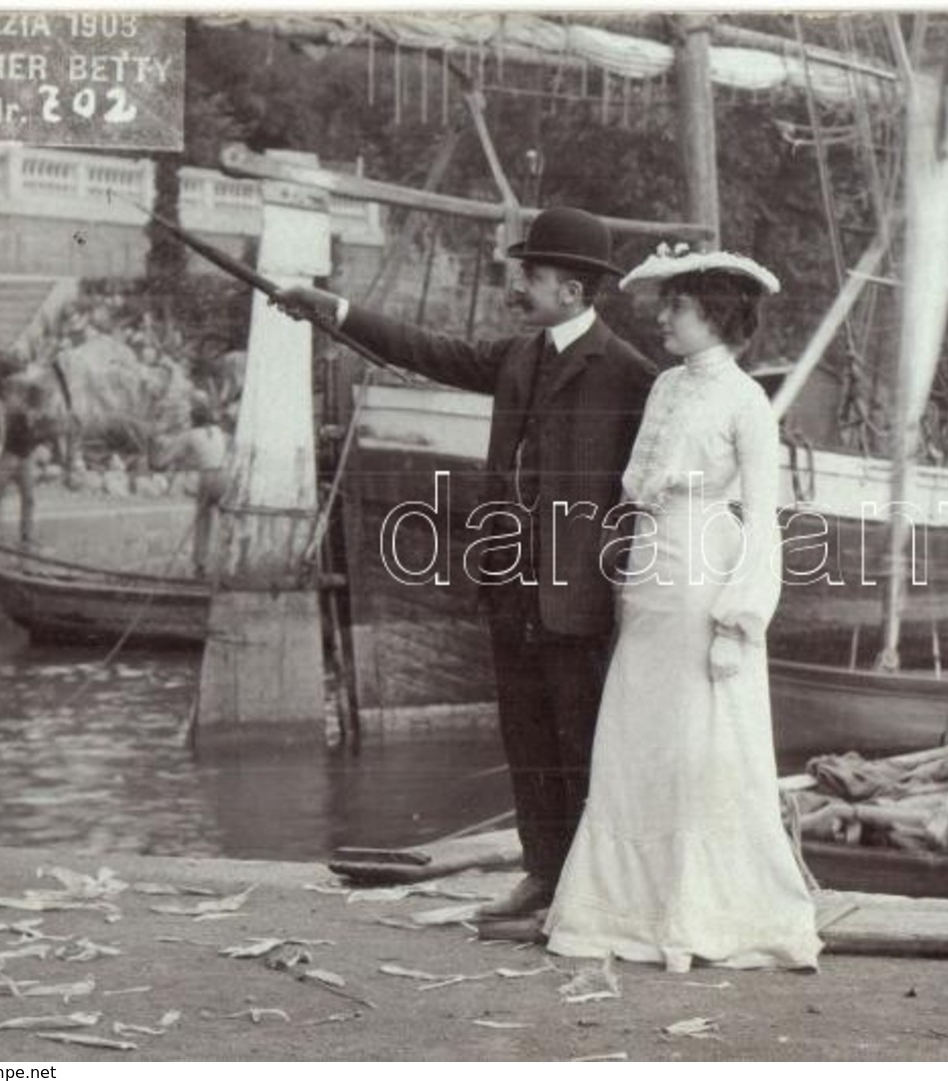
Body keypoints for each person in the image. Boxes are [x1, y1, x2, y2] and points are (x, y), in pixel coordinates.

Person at [275, 207, 656, 917]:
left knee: (581, 747)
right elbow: (425, 349)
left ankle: (589, 887)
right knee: (527, 740)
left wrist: (618, 573)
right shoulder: (517, 357)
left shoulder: (631, 377)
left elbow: (652, 487)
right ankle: (543, 874)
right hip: (508, 588)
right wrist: (335, 309)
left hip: (578, 600)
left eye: (533, 277)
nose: (520, 287)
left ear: (572, 290)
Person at [543, 245, 822, 973]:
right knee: (640, 735)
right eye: (667, 304)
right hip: (650, 566)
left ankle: (702, 911)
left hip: (705, 571)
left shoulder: (745, 400)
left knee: (701, 743)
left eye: (680, 306)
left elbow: (763, 516)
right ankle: (622, 909)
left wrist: (739, 618)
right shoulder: (665, 385)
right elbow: (638, 476)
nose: (664, 317)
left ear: (718, 317)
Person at [159, 401, 229, 577]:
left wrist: (159, 461)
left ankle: (200, 566)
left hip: (207, 477)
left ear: (193, 419)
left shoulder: (191, 435)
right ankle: (227, 563)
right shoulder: (219, 432)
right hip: (225, 476)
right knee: (226, 520)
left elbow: (167, 457)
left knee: (203, 521)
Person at [0, 378, 51, 547]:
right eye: (37, 408)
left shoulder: (35, 416)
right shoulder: (15, 413)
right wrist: (37, 435)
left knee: (28, 498)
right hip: (10, 457)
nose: (39, 412)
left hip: (25, 458)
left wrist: (42, 436)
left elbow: (34, 439)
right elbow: (21, 438)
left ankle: (26, 535)